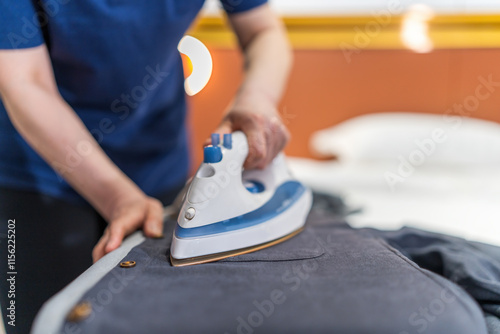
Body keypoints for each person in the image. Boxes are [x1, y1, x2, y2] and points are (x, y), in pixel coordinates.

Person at [0, 1, 291, 332]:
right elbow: (25, 81)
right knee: (41, 321)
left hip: (157, 156)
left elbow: (262, 30)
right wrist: (117, 197)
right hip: (39, 167)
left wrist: (256, 98)